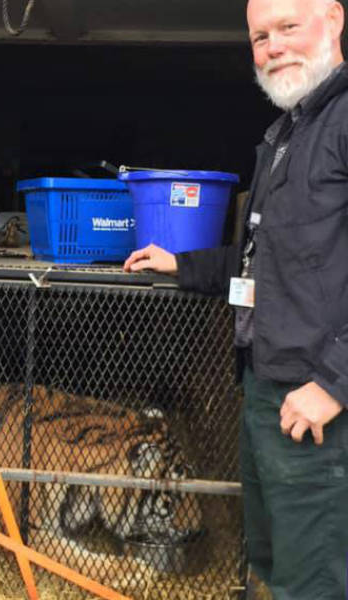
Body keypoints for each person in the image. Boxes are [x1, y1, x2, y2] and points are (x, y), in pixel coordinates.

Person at [124, 0, 348, 596]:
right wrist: (183, 264)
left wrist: (334, 384)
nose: (273, 47)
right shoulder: (282, 136)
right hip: (266, 391)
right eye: (259, 36)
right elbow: (265, 261)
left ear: (333, 19)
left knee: (317, 577)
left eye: (287, 28)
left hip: (320, 404)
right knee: (274, 562)